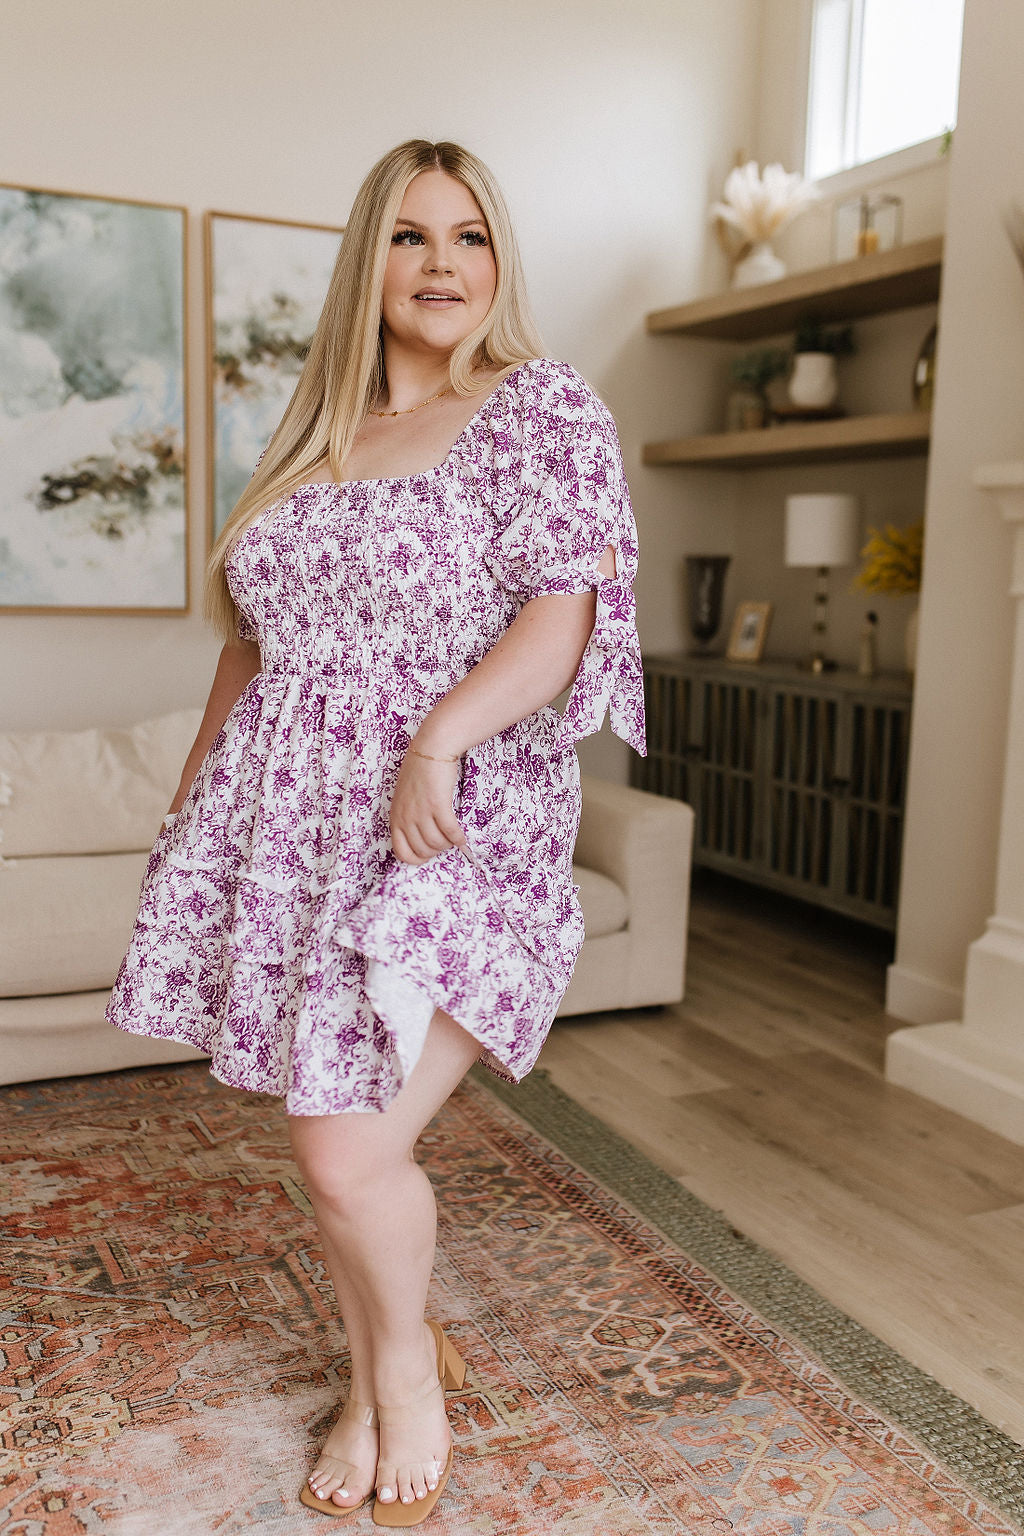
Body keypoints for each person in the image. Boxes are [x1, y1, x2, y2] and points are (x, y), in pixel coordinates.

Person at [106, 137, 646, 1526]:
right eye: (411, 237)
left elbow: (559, 624)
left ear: (500, 260)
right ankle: (374, 1375)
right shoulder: (310, 438)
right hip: (293, 831)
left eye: (471, 236)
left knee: (345, 1152)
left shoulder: (541, 408)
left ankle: (401, 1379)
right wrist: (194, 801)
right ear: (371, 262)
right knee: (329, 1141)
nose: (443, 264)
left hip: (450, 829)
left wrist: (438, 739)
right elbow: (248, 647)